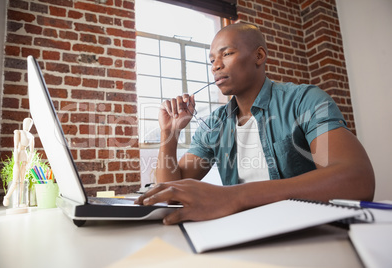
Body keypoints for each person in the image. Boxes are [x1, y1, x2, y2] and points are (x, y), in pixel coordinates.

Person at [135, 23, 375, 225]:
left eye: (226, 54)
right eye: (211, 60)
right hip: (243, 232)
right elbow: (170, 196)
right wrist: (170, 134)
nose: (215, 65)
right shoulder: (214, 125)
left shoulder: (304, 101)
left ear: (259, 56)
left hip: (304, 231)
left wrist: (233, 197)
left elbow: (357, 178)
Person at [3, 118, 34, 210]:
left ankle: (19, 203)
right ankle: (7, 197)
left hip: (24, 155)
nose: (28, 125)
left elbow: (32, 152)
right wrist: (16, 160)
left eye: (29, 124)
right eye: (26, 123)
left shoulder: (31, 136)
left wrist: (28, 162)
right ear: (23, 123)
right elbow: (15, 146)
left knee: (22, 182)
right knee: (15, 182)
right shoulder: (18, 132)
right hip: (18, 154)